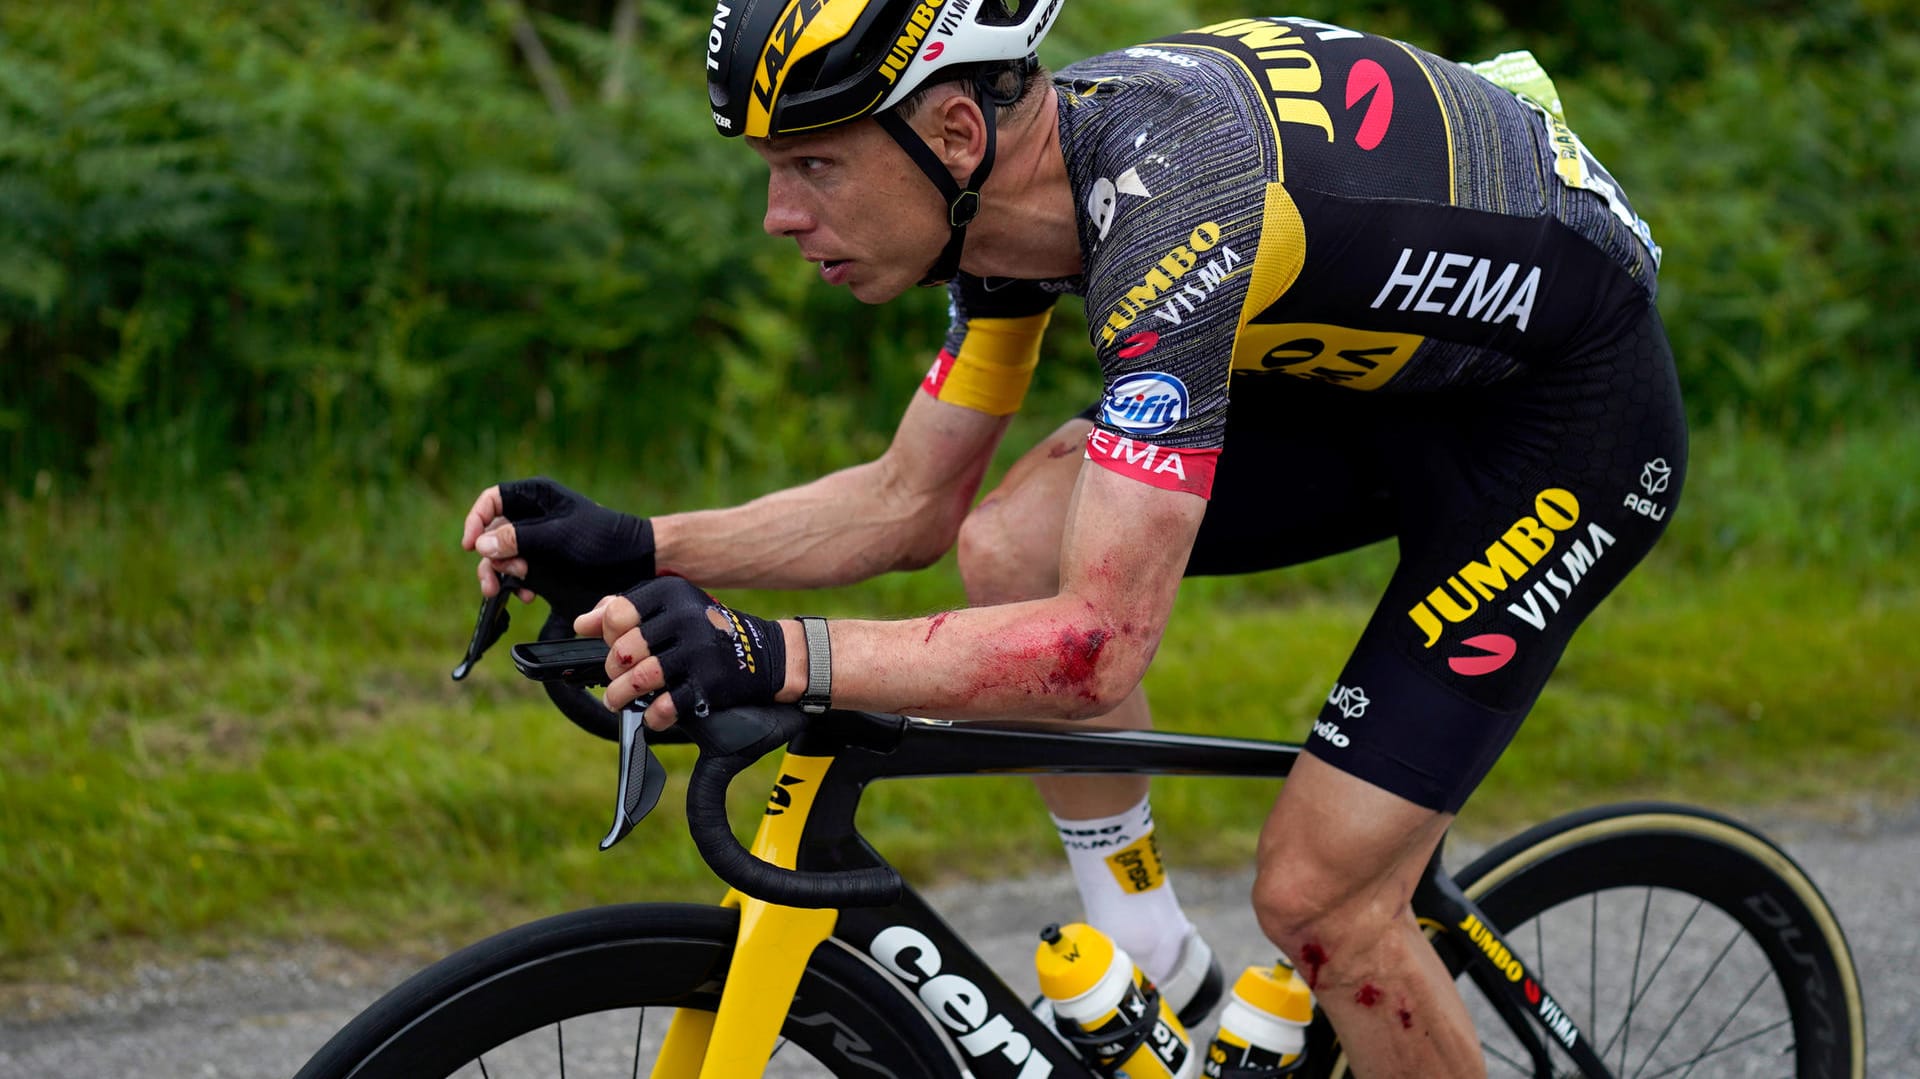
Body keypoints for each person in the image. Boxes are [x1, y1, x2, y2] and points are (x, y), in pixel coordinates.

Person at [462, 4, 1684, 1074]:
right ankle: (1155, 949)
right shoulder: (1005, 209)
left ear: (950, 132)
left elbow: (1097, 648)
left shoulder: (1171, 203)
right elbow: (908, 504)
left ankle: (1308, 936)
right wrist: (647, 545)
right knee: (1007, 543)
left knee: (1323, 894)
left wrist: (770, 653)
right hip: (1379, 380)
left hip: (1558, 429)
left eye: (816, 165)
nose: (782, 215)